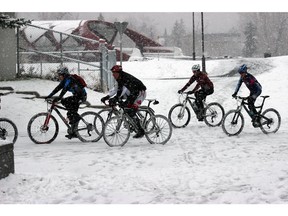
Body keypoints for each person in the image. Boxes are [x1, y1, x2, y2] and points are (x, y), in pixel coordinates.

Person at [102, 64, 147, 138]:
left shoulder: (126, 78)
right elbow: (119, 91)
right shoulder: (120, 79)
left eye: (114, 73)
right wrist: (114, 98)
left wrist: (125, 102)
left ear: (118, 73)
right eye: (112, 73)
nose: (113, 75)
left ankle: (141, 131)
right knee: (127, 108)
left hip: (140, 93)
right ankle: (133, 124)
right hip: (133, 93)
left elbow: (133, 92)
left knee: (131, 111)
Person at [45, 67, 87, 139]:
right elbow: (57, 88)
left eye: (60, 75)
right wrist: (49, 96)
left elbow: (64, 90)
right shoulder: (65, 80)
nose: (59, 76)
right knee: (70, 112)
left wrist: (58, 98)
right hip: (76, 96)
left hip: (81, 96)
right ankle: (74, 131)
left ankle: (75, 119)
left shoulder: (69, 80)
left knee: (65, 103)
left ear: (64, 75)